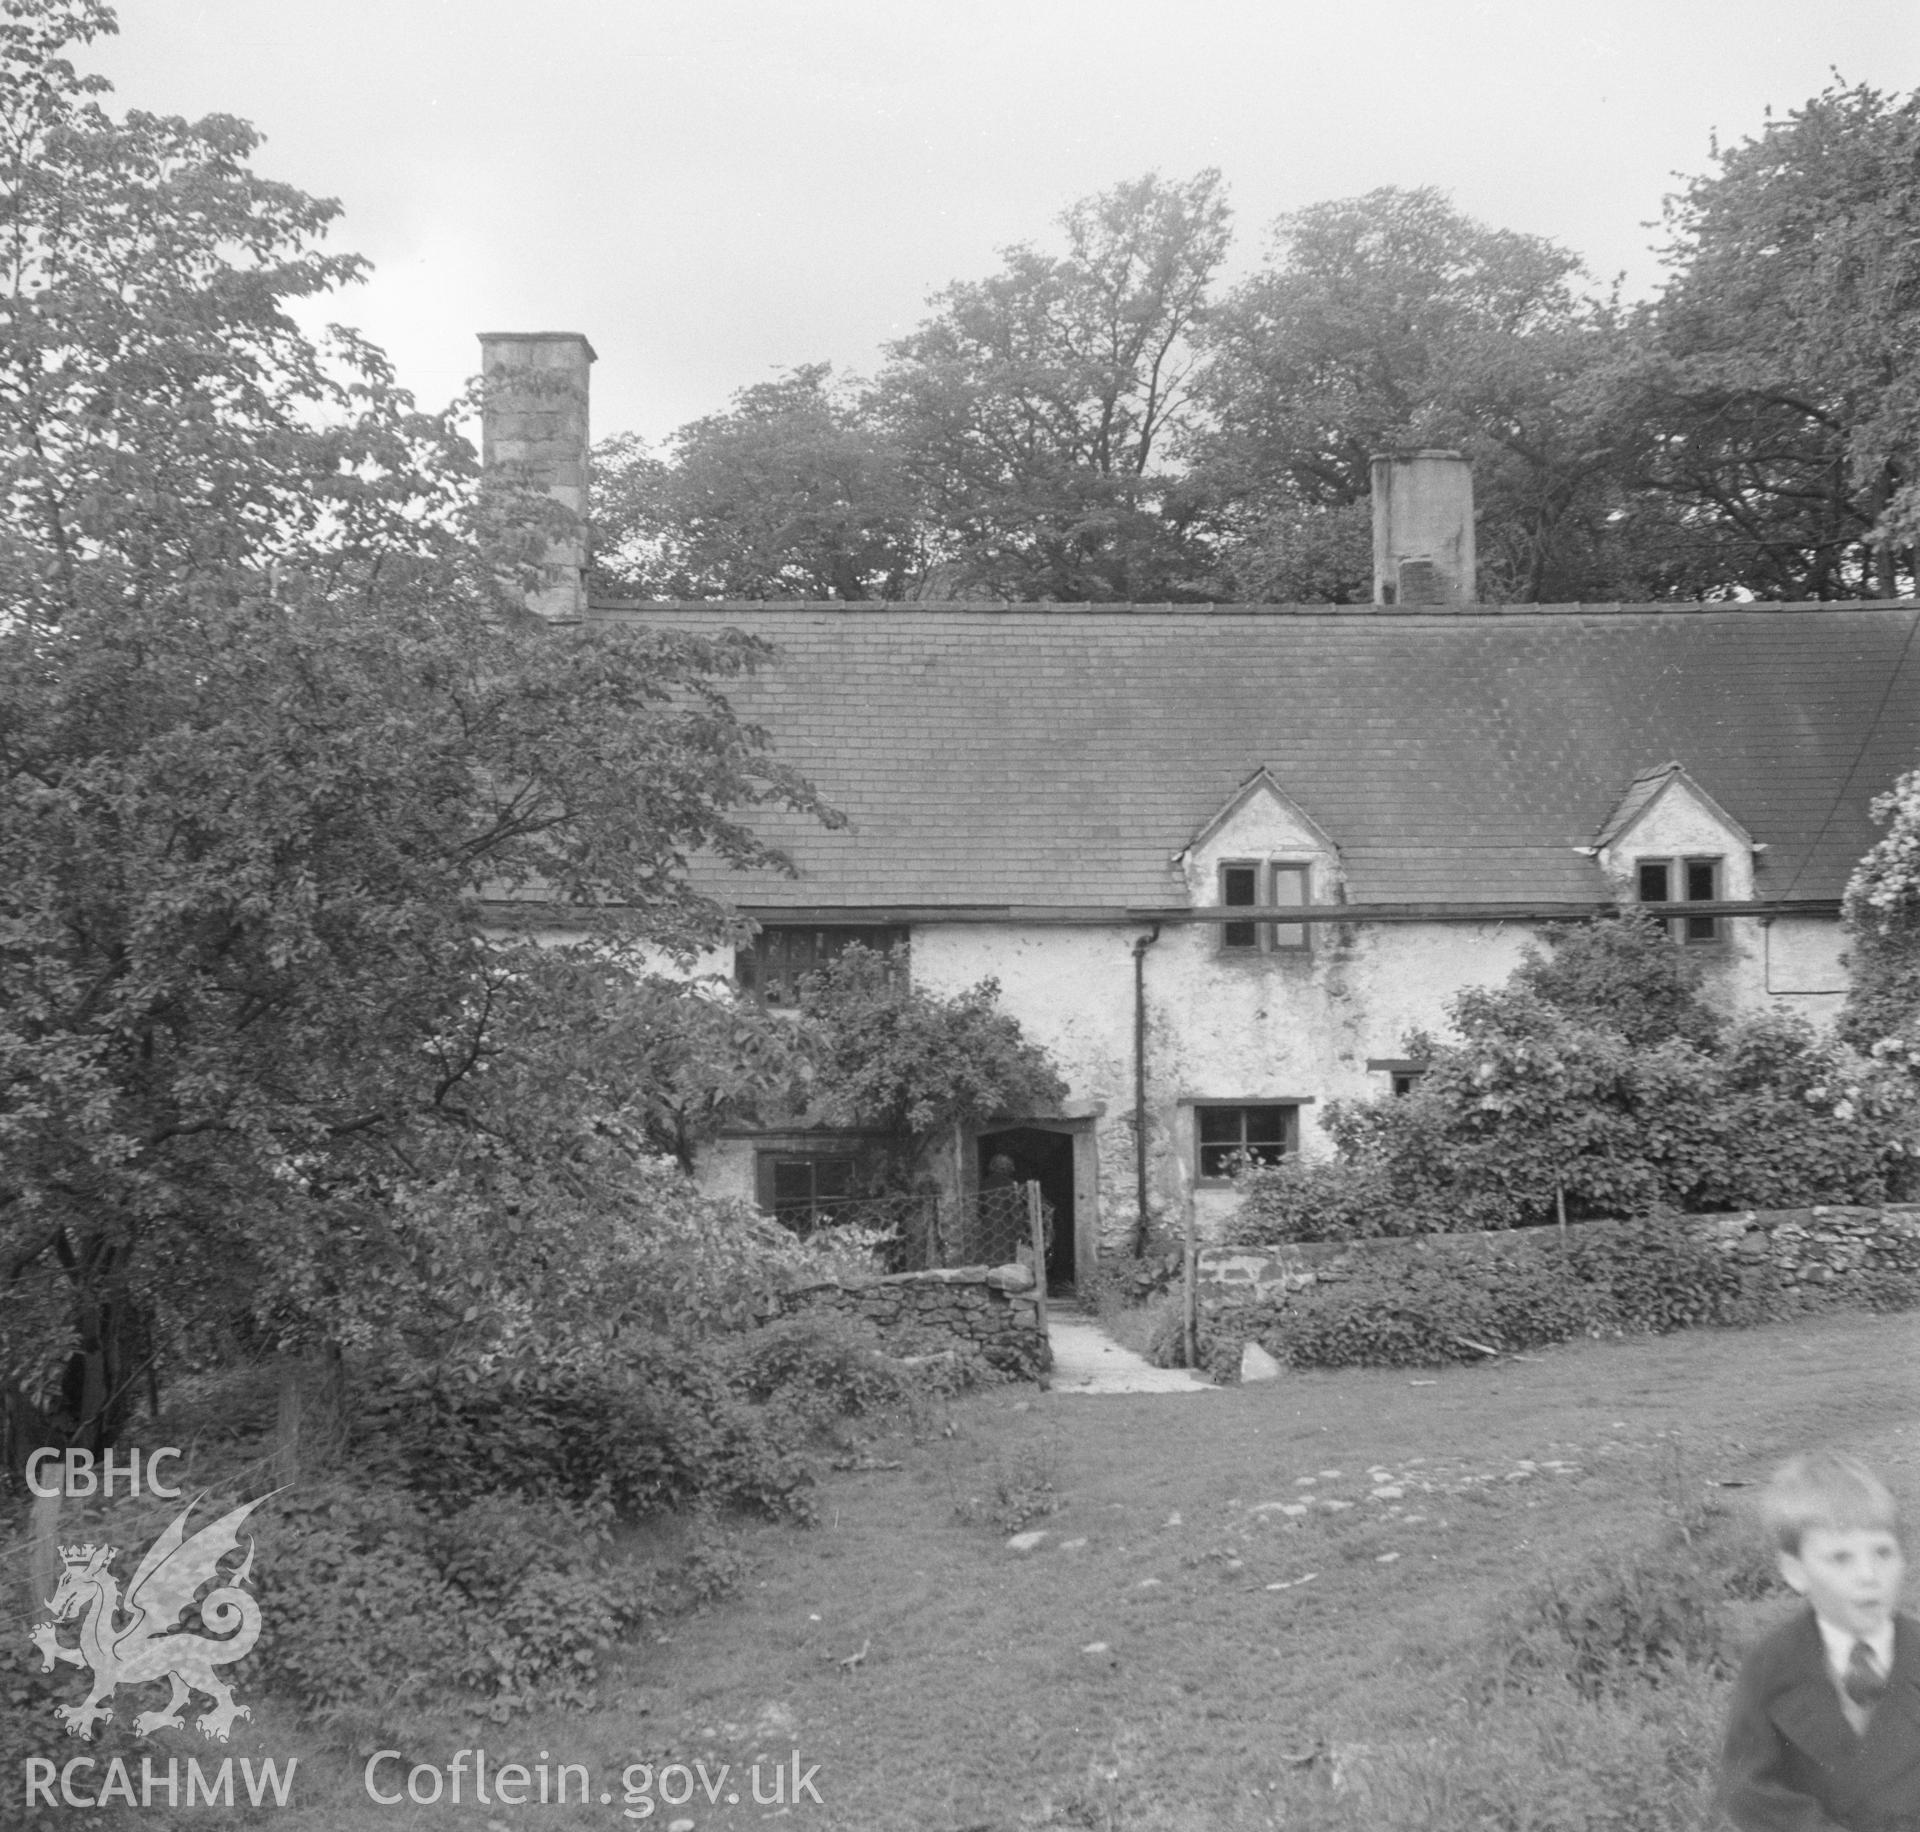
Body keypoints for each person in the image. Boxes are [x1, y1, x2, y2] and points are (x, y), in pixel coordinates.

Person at [1719, 1450, 1920, 1830]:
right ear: (1796, 1572)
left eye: (1883, 1552)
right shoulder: (1771, 1664)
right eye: (1841, 1558)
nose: (1868, 1575)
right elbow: (1746, 1787)